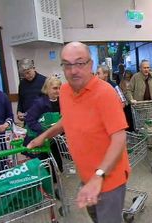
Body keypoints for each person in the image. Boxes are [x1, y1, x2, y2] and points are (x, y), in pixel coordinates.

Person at [27, 42, 130, 223]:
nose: (73, 70)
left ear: (90, 64)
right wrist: (43, 136)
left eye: (79, 63)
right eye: (67, 64)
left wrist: (99, 177)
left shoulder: (105, 93)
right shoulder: (65, 91)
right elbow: (67, 120)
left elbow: (119, 137)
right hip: (87, 175)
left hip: (109, 177)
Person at [23, 76, 64, 175]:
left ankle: (55, 184)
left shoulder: (61, 102)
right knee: (45, 168)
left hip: (53, 140)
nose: (58, 91)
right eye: (54, 88)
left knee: (57, 166)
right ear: (47, 88)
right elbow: (29, 119)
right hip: (40, 139)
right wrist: (44, 130)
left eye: (59, 88)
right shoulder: (40, 103)